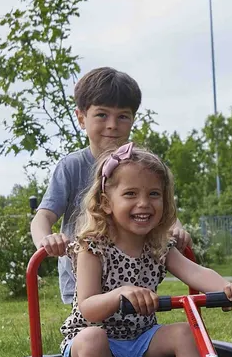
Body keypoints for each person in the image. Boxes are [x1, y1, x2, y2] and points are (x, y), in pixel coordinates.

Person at [59, 143, 232, 357]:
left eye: (154, 194)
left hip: (141, 342)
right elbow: (88, 308)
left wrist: (229, 289)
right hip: (93, 349)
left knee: (184, 332)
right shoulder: (93, 247)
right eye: (130, 194)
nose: (144, 203)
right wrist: (119, 294)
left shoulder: (159, 246)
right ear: (106, 203)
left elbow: (196, 272)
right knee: (93, 339)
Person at [30, 66, 184, 306]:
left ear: (132, 120)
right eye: (102, 115)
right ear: (81, 118)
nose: (112, 124)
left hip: (132, 275)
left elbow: (158, 205)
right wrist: (46, 240)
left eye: (122, 116)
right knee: (93, 335)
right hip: (84, 280)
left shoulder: (139, 165)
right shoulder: (72, 166)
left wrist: (177, 227)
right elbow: (42, 217)